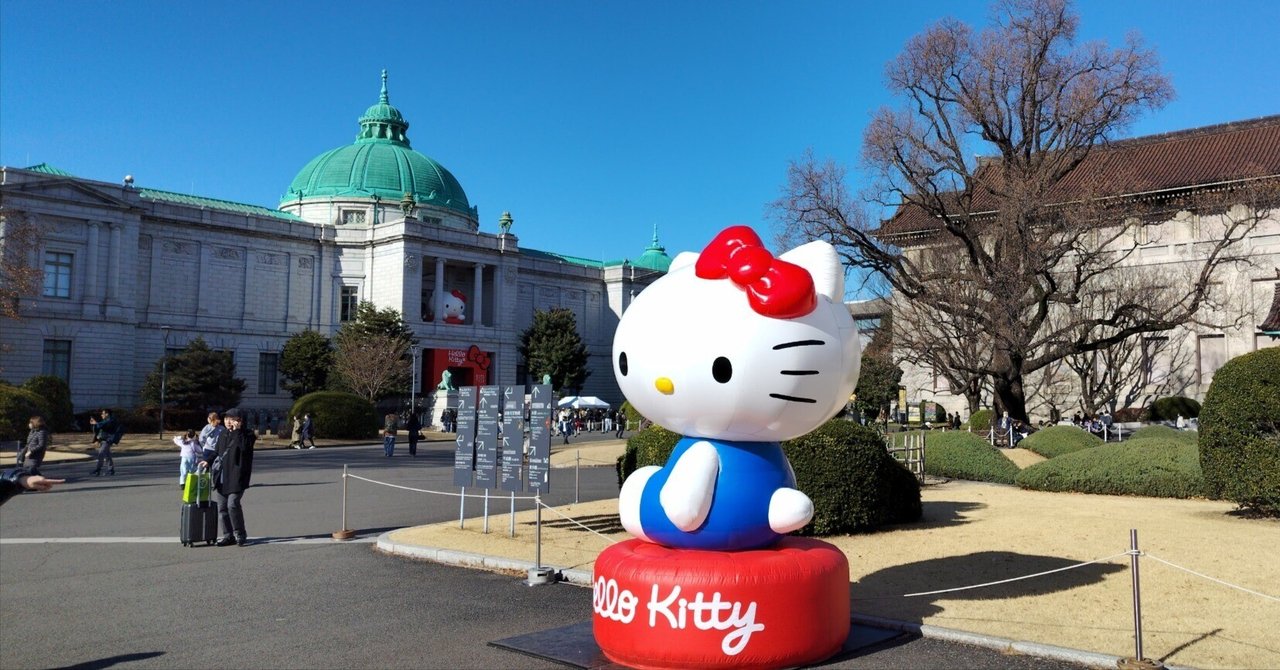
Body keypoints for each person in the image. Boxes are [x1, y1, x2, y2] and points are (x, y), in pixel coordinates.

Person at [203, 408, 255, 547]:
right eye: (226, 419)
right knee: (222, 508)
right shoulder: (223, 434)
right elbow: (216, 452)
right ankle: (228, 535)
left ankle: (240, 534)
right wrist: (207, 461)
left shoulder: (247, 434)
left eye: (231, 419)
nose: (228, 421)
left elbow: (244, 449)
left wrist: (237, 431)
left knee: (232, 504)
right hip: (222, 477)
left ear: (240, 421)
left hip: (238, 476)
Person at [89, 408, 118, 476]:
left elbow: (104, 425)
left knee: (101, 453)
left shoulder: (111, 420)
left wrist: (96, 423)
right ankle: (111, 470)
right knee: (107, 455)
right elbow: (99, 429)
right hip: (102, 440)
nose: (101, 415)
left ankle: (98, 469)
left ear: (107, 414)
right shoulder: (105, 421)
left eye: (103, 413)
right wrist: (95, 424)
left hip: (107, 440)